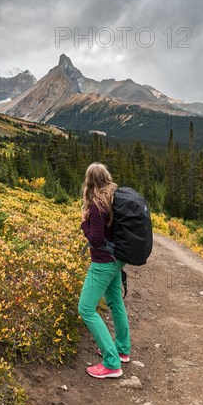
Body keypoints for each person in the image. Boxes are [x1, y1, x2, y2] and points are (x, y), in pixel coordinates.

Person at [78, 162, 131, 378]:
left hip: (102, 263)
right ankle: (122, 349)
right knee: (115, 302)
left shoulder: (96, 206)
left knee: (86, 309)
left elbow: (96, 240)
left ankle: (111, 362)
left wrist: (84, 224)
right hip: (117, 259)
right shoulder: (114, 199)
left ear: (89, 181)